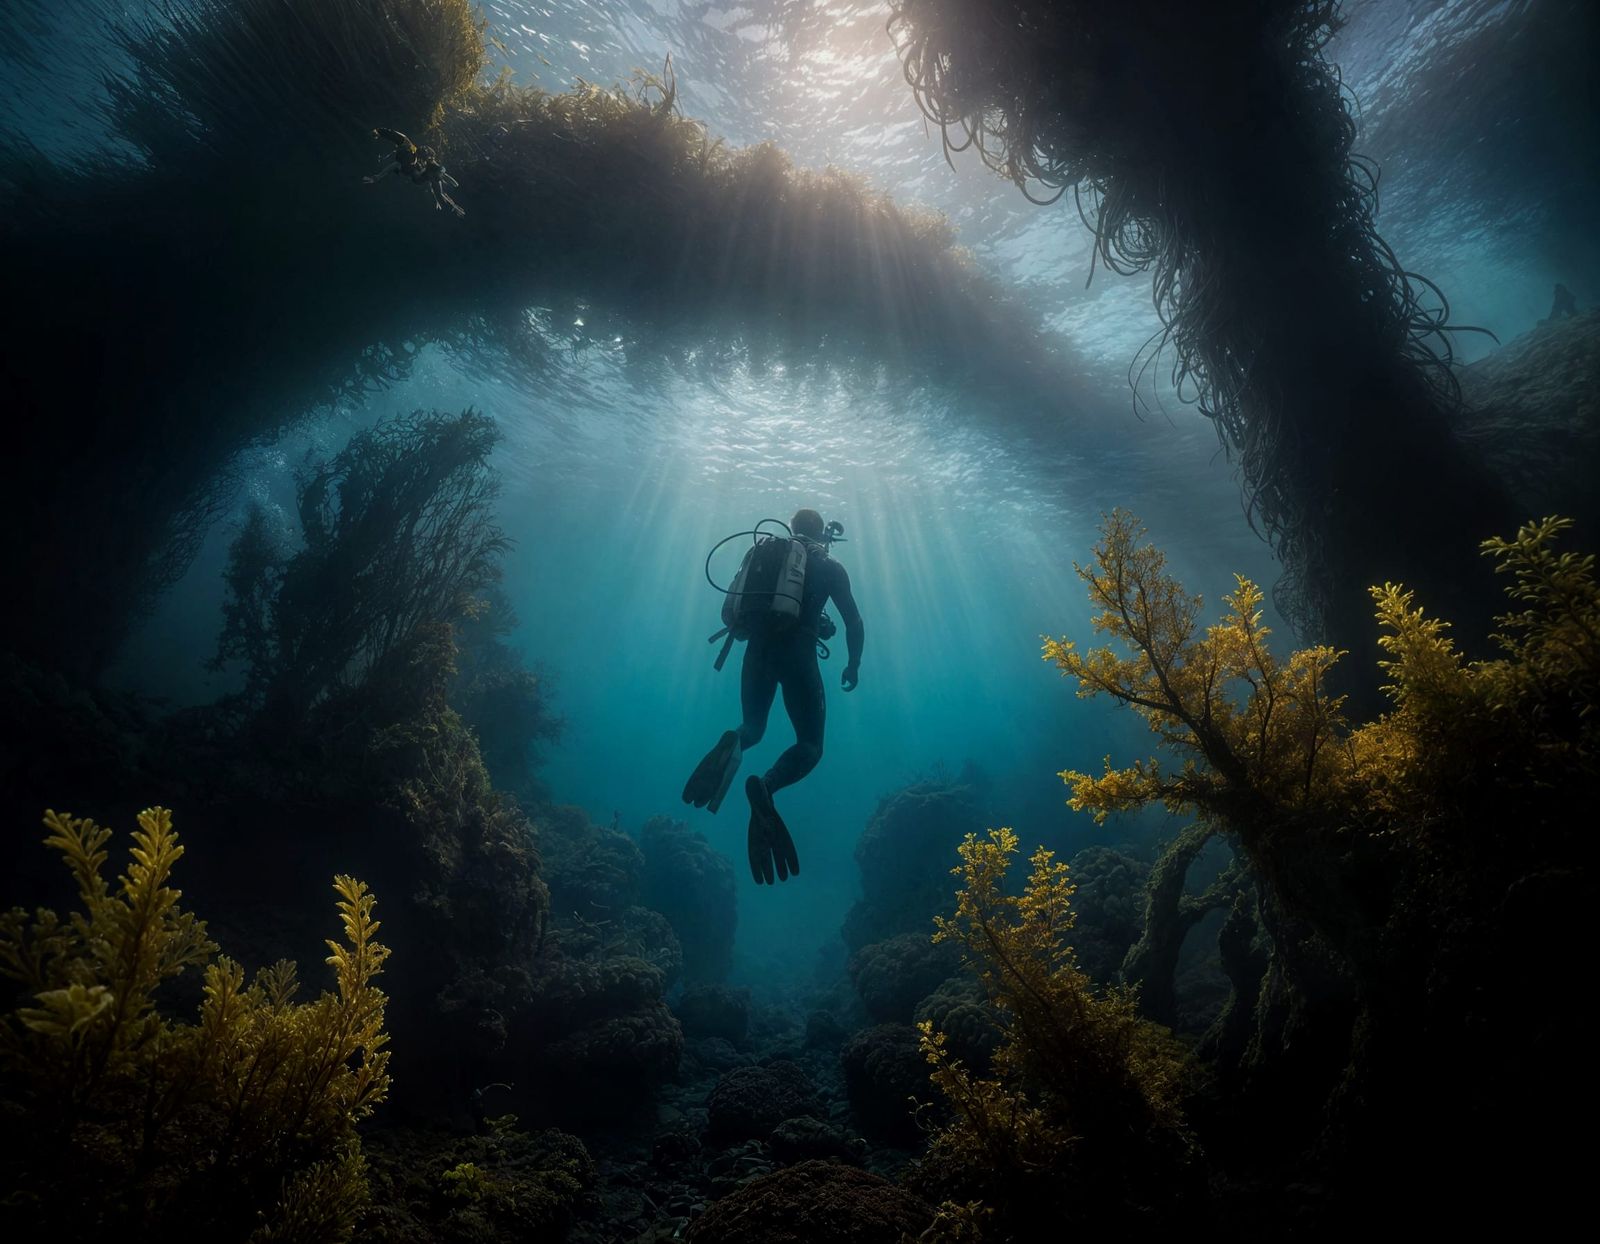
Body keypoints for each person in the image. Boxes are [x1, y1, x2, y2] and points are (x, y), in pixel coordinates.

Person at [683, 509, 864, 885]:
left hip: (756, 654)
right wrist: (853, 664)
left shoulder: (767, 553)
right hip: (797, 656)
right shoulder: (828, 564)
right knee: (811, 745)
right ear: (822, 534)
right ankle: (766, 786)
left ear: (794, 528)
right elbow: (854, 621)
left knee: (754, 726)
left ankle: (735, 740)